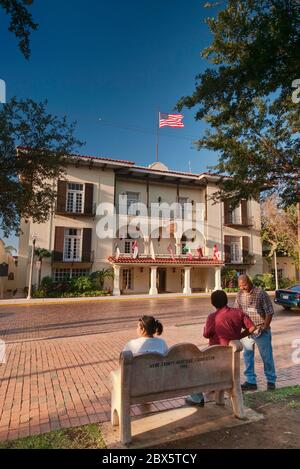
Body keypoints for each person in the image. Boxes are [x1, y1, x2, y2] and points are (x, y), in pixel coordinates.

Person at [186, 290, 255, 406]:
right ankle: (214, 389)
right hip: (232, 361)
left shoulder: (212, 317)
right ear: (226, 300)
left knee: (195, 367)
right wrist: (238, 336)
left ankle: (196, 397)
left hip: (215, 359)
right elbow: (252, 327)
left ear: (213, 303)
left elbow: (206, 334)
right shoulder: (238, 313)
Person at [235, 274, 277, 391]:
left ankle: (271, 380)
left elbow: (269, 311)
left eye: (244, 285)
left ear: (250, 282)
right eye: (240, 286)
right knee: (247, 356)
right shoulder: (239, 295)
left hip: (261, 330)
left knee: (266, 357)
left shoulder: (261, 293)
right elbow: (237, 313)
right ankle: (251, 381)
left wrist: (265, 326)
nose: (242, 287)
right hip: (247, 331)